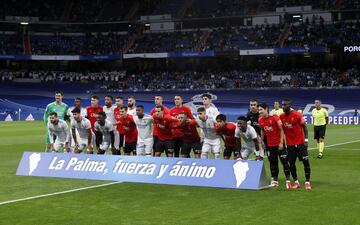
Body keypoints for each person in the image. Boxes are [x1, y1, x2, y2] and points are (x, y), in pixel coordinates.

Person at [258, 103, 291, 189]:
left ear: (266, 109)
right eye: (259, 110)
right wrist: (261, 141)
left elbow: (282, 130)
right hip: (270, 145)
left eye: (261, 109)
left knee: (284, 162)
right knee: (273, 163)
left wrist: (281, 143)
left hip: (279, 145)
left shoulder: (275, 117)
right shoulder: (260, 120)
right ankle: (275, 180)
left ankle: (288, 180)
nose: (259, 111)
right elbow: (262, 130)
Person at [280, 99, 311, 190]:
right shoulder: (281, 116)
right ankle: (296, 182)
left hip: (300, 144)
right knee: (292, 164)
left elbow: (305, 127)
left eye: (285, 105)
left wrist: (306, 140)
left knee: (306, 162)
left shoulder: (297, 114)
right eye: (282, 105)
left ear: (289, 105)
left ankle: (307, 182)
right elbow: (280, 129)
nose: (283, 106)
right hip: (290, 145)